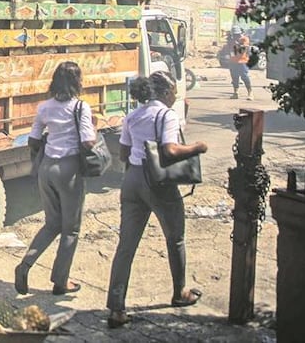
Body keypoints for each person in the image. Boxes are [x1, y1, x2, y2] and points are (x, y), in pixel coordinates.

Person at [106, 72, 208, 329]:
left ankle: (116, 308)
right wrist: (197, 147)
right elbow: (170, 150)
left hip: (132, 181)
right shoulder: (167, 115)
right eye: (173, 90)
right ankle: (179, 293)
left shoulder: (133, 116)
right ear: (164, 92)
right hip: (158, 184)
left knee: (126, 246)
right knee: (176, 238)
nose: (175, 94)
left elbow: (124, 153)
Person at [16, 62, 95, 296]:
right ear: (77, 82)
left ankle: (25, 265)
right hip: (68, 170)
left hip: (46, 168)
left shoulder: (44, 107)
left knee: (52, 224)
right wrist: (95, 129)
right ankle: (61, 281)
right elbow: (88, 142)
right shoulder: (81, 107)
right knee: (70, 229)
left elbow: (33, 140)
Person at [227, 27, 253, 100]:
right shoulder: (232, 40)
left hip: (242, 61)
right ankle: (235, 93)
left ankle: (250, 92)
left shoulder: (244, 39)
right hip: (233, 61)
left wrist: (237, 44)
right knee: (234, 77)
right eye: (234, 35)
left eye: (237, 34)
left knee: (244, 77)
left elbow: (243, 50)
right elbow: (230, 50)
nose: (236, 36)